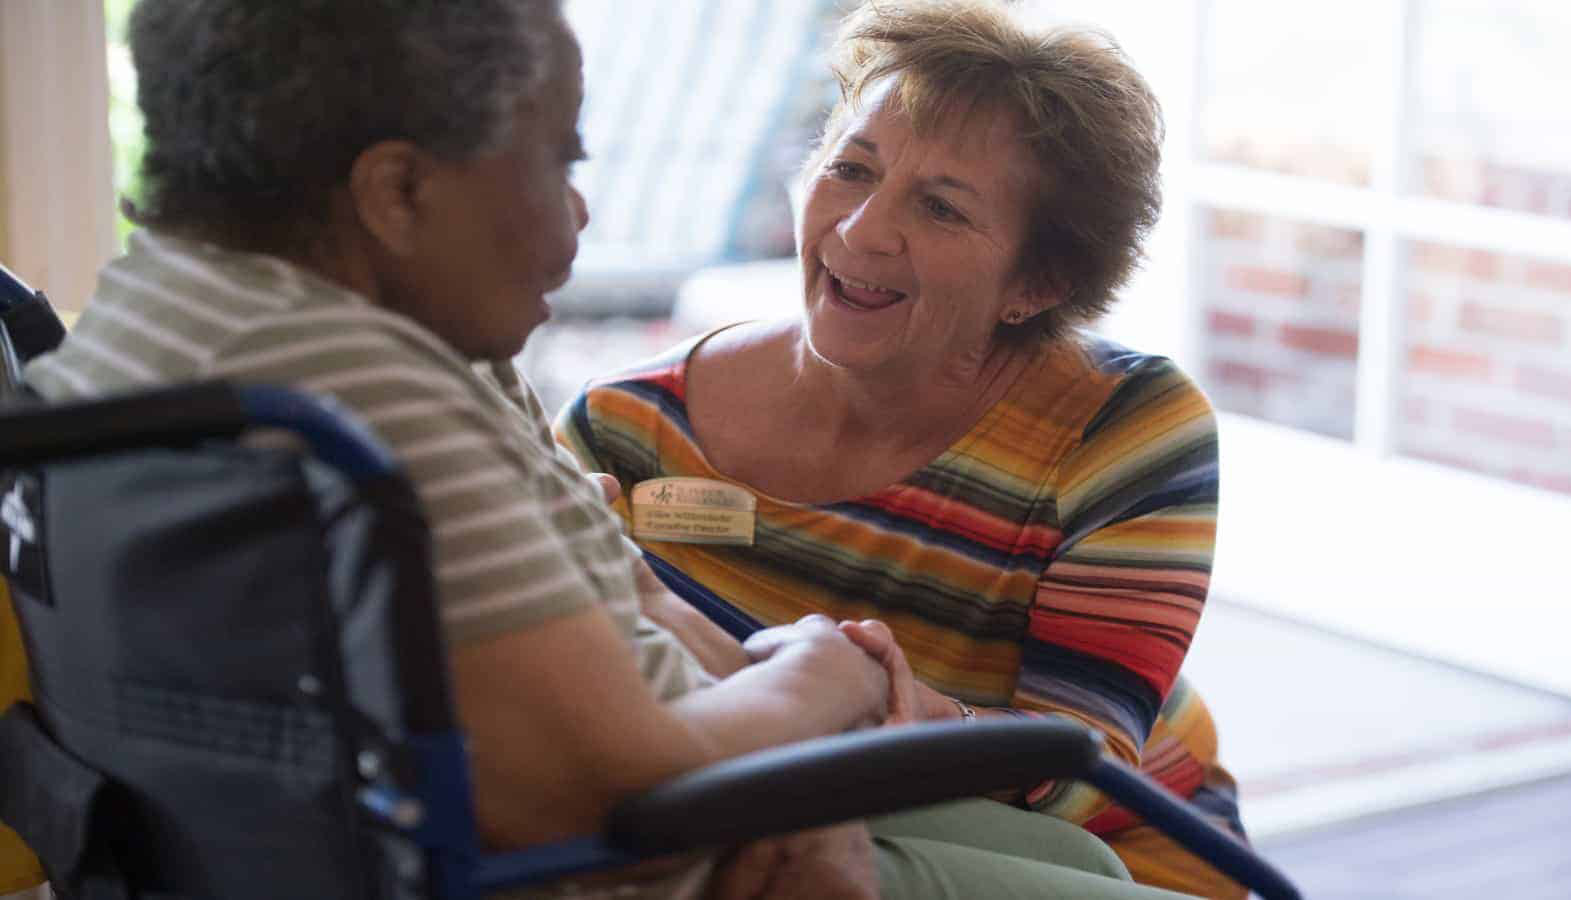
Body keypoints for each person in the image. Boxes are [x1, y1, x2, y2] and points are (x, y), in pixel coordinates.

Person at [24, 1, 1190, 897]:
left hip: (652, 775)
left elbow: (617, 610)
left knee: (1078, 865)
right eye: (560, 163)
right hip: (646, 848)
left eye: (940, 206)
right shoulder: (366, 383)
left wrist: (788, 726)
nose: (581, 216)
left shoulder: (147, 323)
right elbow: (623, 781)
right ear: (396, 193)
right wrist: (828, 675)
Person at [557, 1, 1246, 896]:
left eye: (940, 208)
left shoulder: (1122, 429)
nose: (859, 231)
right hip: (771, 814)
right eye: (850, 168)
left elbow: (1077, 769)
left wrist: (888, 704)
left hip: (1117, 854)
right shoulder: (628, 427)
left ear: (1036, 283)